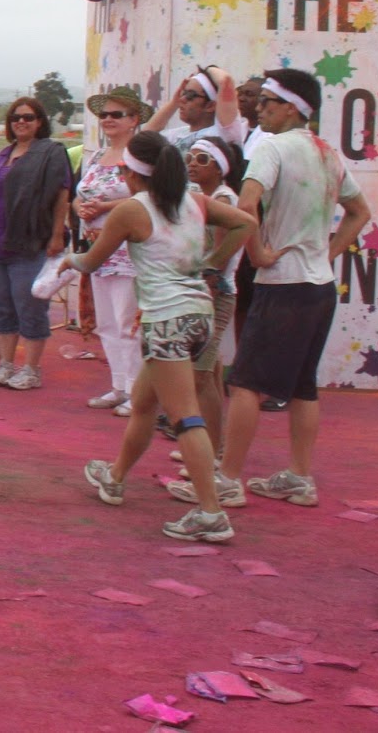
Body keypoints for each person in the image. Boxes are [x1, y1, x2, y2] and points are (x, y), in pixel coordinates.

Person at [173, 68, 370, 511]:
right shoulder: (327, 152)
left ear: (292, 108)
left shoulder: (272, 148)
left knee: (245, 383)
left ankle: (227, 481)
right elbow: (360, 211)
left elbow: (245, 207)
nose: (257, 109)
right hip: (317, 286)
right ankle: (299, 478)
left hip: (282, 284)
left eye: (265, 102)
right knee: (302, 386)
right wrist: (326, 254)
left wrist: (259, 253)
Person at [68, 131, 255, 543]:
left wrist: (65, 262)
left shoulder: (133, 210)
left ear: (133, 173)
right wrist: (213, 263)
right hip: (198, 316)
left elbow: (90, 261)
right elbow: (246, 222)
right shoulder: (195, 201)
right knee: (144, 404)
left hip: (166, 321)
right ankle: (115, 477)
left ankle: (211, 512)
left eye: (123, 169)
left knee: (185, 417)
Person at [0, 97, 72, 390]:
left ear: (40, 122)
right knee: (2, 307)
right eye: (15, 117)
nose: (21, 122)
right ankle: (6, 364)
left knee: (30, 306)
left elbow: (62, 194)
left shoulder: (51, 153)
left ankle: (31, 368)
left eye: (28, 117)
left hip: (28, 242)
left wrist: (57, 235)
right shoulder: (4, 153)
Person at [74, 85, 151, 414]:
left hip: (126, 252)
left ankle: (137, 391)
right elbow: (79, 194)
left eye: (116, 114)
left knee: (127, 322)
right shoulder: (95, 157)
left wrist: (105, 207)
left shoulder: (140, 158)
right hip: (97, 249)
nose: (108, 119)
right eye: (103, 114)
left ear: (134, 120)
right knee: (106, 322)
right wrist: (81, 207)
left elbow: (147, 197)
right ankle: (119, 385)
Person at [177, 137, 245, 461]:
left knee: (200, 376)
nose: (193, 164)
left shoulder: (223, 198)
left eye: (202, 159)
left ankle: (210, 455)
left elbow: (220, 254)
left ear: (220, 167)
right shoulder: (204, 196)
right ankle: (211, 445)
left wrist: (208, 283)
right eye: (190, 158)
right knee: (212, 371)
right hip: (205, 292)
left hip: (214, 294)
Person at [145, 65, 246, 153]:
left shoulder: (224, 134)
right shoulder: (177, 135)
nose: (182, 99)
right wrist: (174, 102)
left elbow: (225, 81)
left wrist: (207, 69)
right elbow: (145, 137)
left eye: (190, 95)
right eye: (183, 93)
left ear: (210, 106)